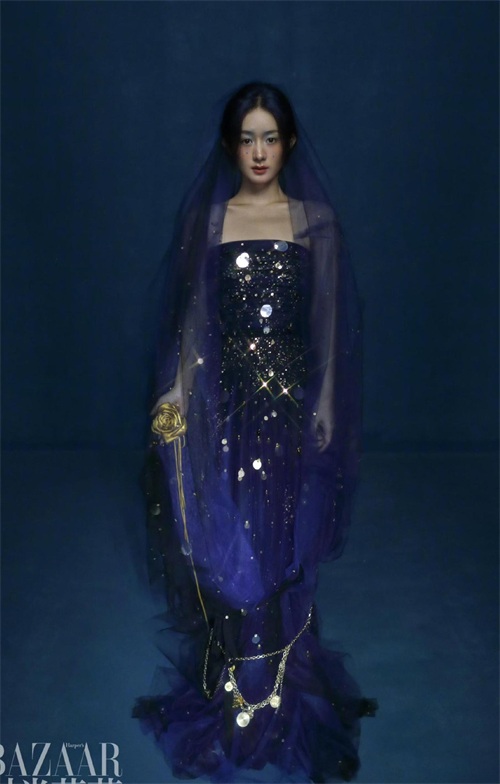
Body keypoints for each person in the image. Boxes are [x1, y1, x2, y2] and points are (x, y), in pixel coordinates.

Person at [133, 82, 376, 783]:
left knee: (280, 533)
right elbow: (193, 316)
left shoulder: (314, 221)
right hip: (226, 403)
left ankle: (276, 684)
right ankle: (241, 676)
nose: (260, 152)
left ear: (289, 144)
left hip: (289, 407)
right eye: (248, 139)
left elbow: (327, 321)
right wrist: (179, 389)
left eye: (271, 138)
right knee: (229, 531)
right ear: (230, 147)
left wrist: (324, 399)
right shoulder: (211, 221)